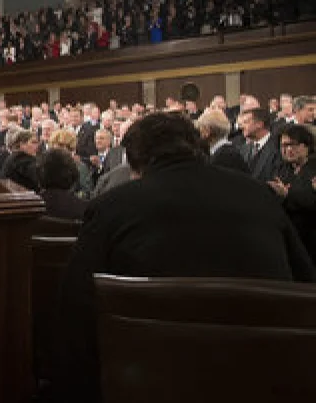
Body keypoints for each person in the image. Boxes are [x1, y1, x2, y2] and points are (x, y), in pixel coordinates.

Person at [53, 113, 314, 403]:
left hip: (150, 380)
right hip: (269, 376)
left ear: (135, 164)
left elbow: (76, 308)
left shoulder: (111, 207)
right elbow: (305, 284)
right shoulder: (260, 195)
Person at [268, 124, 316, 261]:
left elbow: (312, 201)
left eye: (293, 144)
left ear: (306, 146)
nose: (288, 149)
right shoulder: (281, 169)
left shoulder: (313, 168)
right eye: (283, 145)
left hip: (309, 239)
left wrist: (287, 195)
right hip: (286, 237)